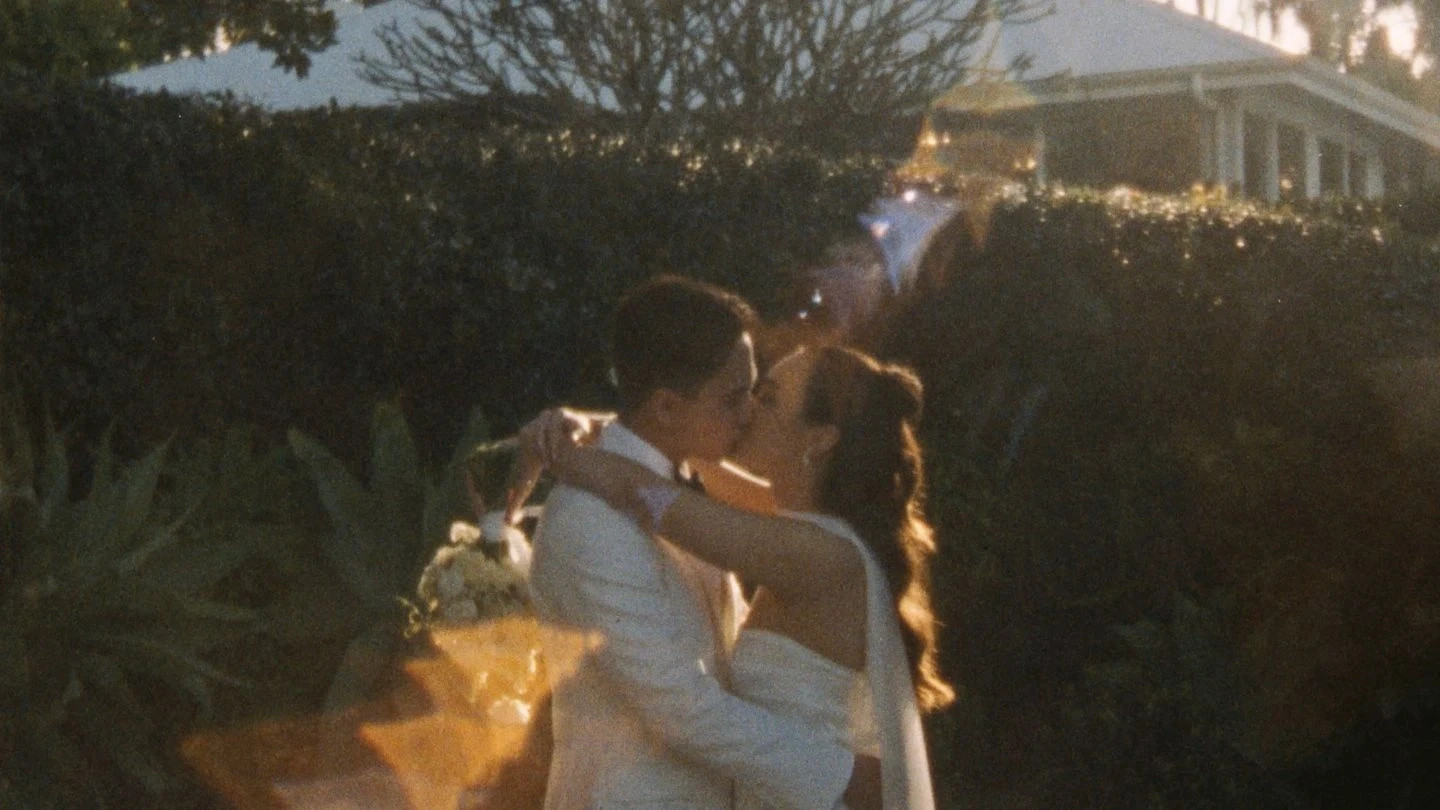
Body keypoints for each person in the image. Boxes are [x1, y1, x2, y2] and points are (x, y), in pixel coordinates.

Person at [514, 337, 955, 809]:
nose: (746, 411)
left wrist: (559, 452)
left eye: (767, 400)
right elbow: (690, 461)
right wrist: (601, 425)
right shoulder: (802, 529)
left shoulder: (815, 552)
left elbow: (647, 493)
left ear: (820, 440)